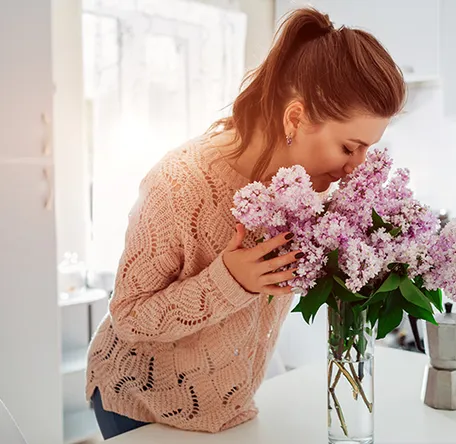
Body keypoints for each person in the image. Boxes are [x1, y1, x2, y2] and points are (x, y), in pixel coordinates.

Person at [86, 6, 406, 440]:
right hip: (142, 403)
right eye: (349, 147)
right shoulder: (180, 182)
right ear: (296, 118)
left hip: (230, 410)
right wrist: (230, 280)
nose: (356, 168)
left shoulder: (309, 190)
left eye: (367, 150)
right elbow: (129, 316)